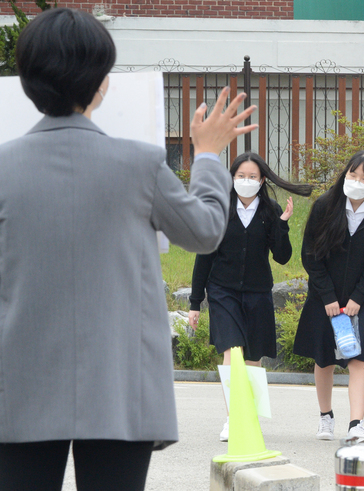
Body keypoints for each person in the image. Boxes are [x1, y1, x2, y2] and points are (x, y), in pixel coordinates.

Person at [0, 8, 257, 491]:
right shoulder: (139, 164)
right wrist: (205, 156)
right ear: (101, 83)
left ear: (28, 83)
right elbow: (204, 232)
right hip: (119, 383)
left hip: (18, 382)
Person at [188, 152, 312, 441]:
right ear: (232, 179)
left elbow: (282, 257)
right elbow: (203, 257)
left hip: (258, 293)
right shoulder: (219, 209)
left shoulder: (270, 211)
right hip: (222, 292)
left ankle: (250, 417)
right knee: (233, 351)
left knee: (254, 358)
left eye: (252, 177)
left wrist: (282, 224)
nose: (246, 181)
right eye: (240, 176)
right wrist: (195, 302)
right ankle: (234, 418)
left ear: (262, 180)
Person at [293, 151, 364, 440]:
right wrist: (327, 297)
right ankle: (326, 417)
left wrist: (358, 298)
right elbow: (310, 256)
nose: (358, 181)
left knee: (358, 360)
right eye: (353, 174)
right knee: (324, 359)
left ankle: (356, 424)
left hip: (360, 299)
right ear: (344, 174)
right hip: (325, 299)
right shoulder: (325, 205)